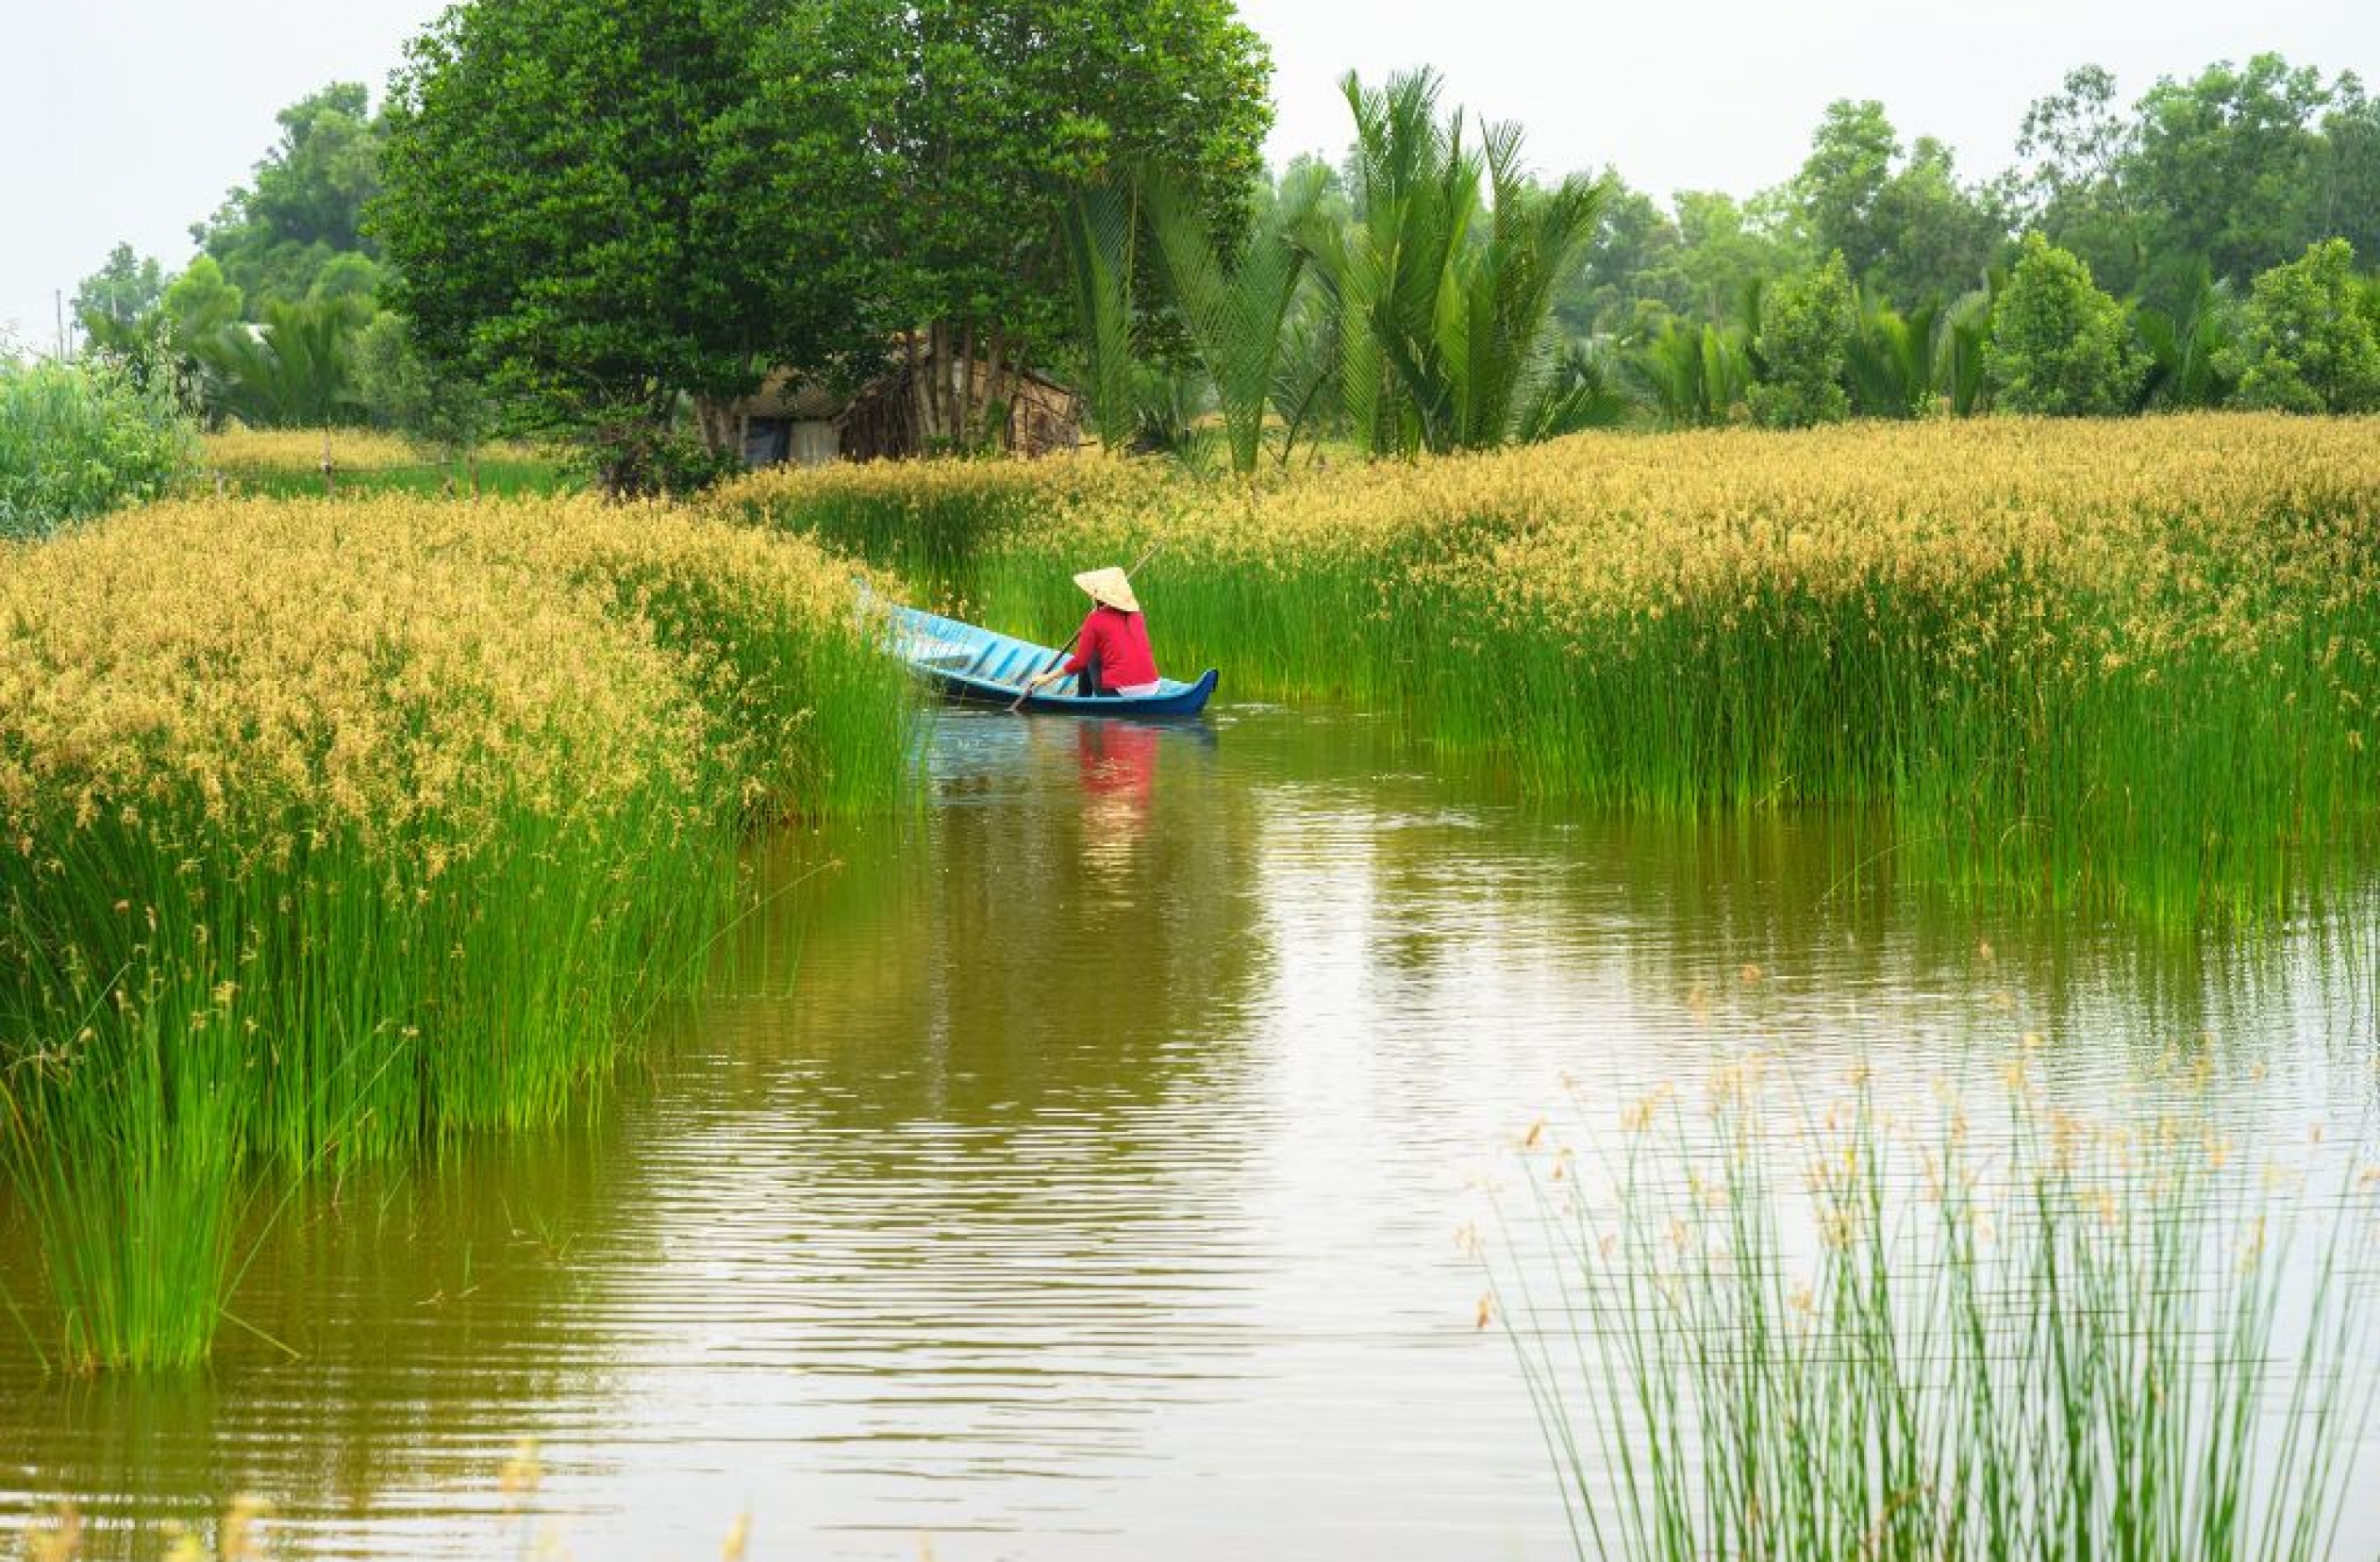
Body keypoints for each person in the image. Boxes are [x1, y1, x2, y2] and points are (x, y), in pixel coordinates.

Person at [1024, 566, 1162, 698]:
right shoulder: (1137, 614)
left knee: (1089, 654)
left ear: (1096, 597)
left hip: (1119, 692)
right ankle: (1083, 697)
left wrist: (1046, 678)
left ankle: (1082, 698)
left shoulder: (1095, 619)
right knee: (1096, 649)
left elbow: (1080, 662)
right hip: (1152, 688)